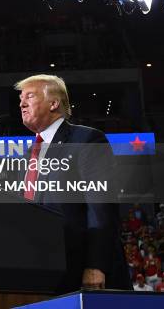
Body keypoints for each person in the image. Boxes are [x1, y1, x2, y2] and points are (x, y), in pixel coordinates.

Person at [14, 74, 130, 292]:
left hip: (79, 271)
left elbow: (101, 206)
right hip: (41, 269)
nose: (21, 103)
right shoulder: (29, 154)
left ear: (54, 103)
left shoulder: (86, 140)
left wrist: (95, 265)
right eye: (21, 98)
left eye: (29, 96)